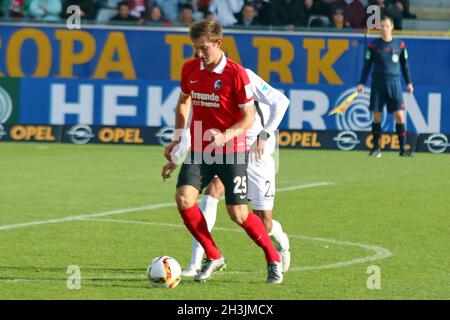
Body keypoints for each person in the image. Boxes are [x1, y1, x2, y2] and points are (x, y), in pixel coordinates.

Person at [163, 19, 283, 284]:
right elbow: (183, 103)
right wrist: (178, 141)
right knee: (184, 197)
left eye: (204, 48)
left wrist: (226, 135)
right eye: (195, 48)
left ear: (218, 43)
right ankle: (214, 255)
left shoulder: (237, 74)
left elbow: (248, 118)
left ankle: (273, 257)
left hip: (232, 151)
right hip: (200, 150)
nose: (199, 54)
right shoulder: (190, 69)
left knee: (238, 214)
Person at [357, 14, 413, 158]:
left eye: (387, 26)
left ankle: (403, 149)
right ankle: (376, 148)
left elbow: (405, 66)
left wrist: (409, 83)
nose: (384, 28)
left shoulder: (400, 45)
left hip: (394, 85)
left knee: (400, 117)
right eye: (382, 26)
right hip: (378, 85)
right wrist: (362, 82)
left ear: (392, 27)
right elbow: (367, 65)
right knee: (377, 117)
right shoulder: (373, 45)